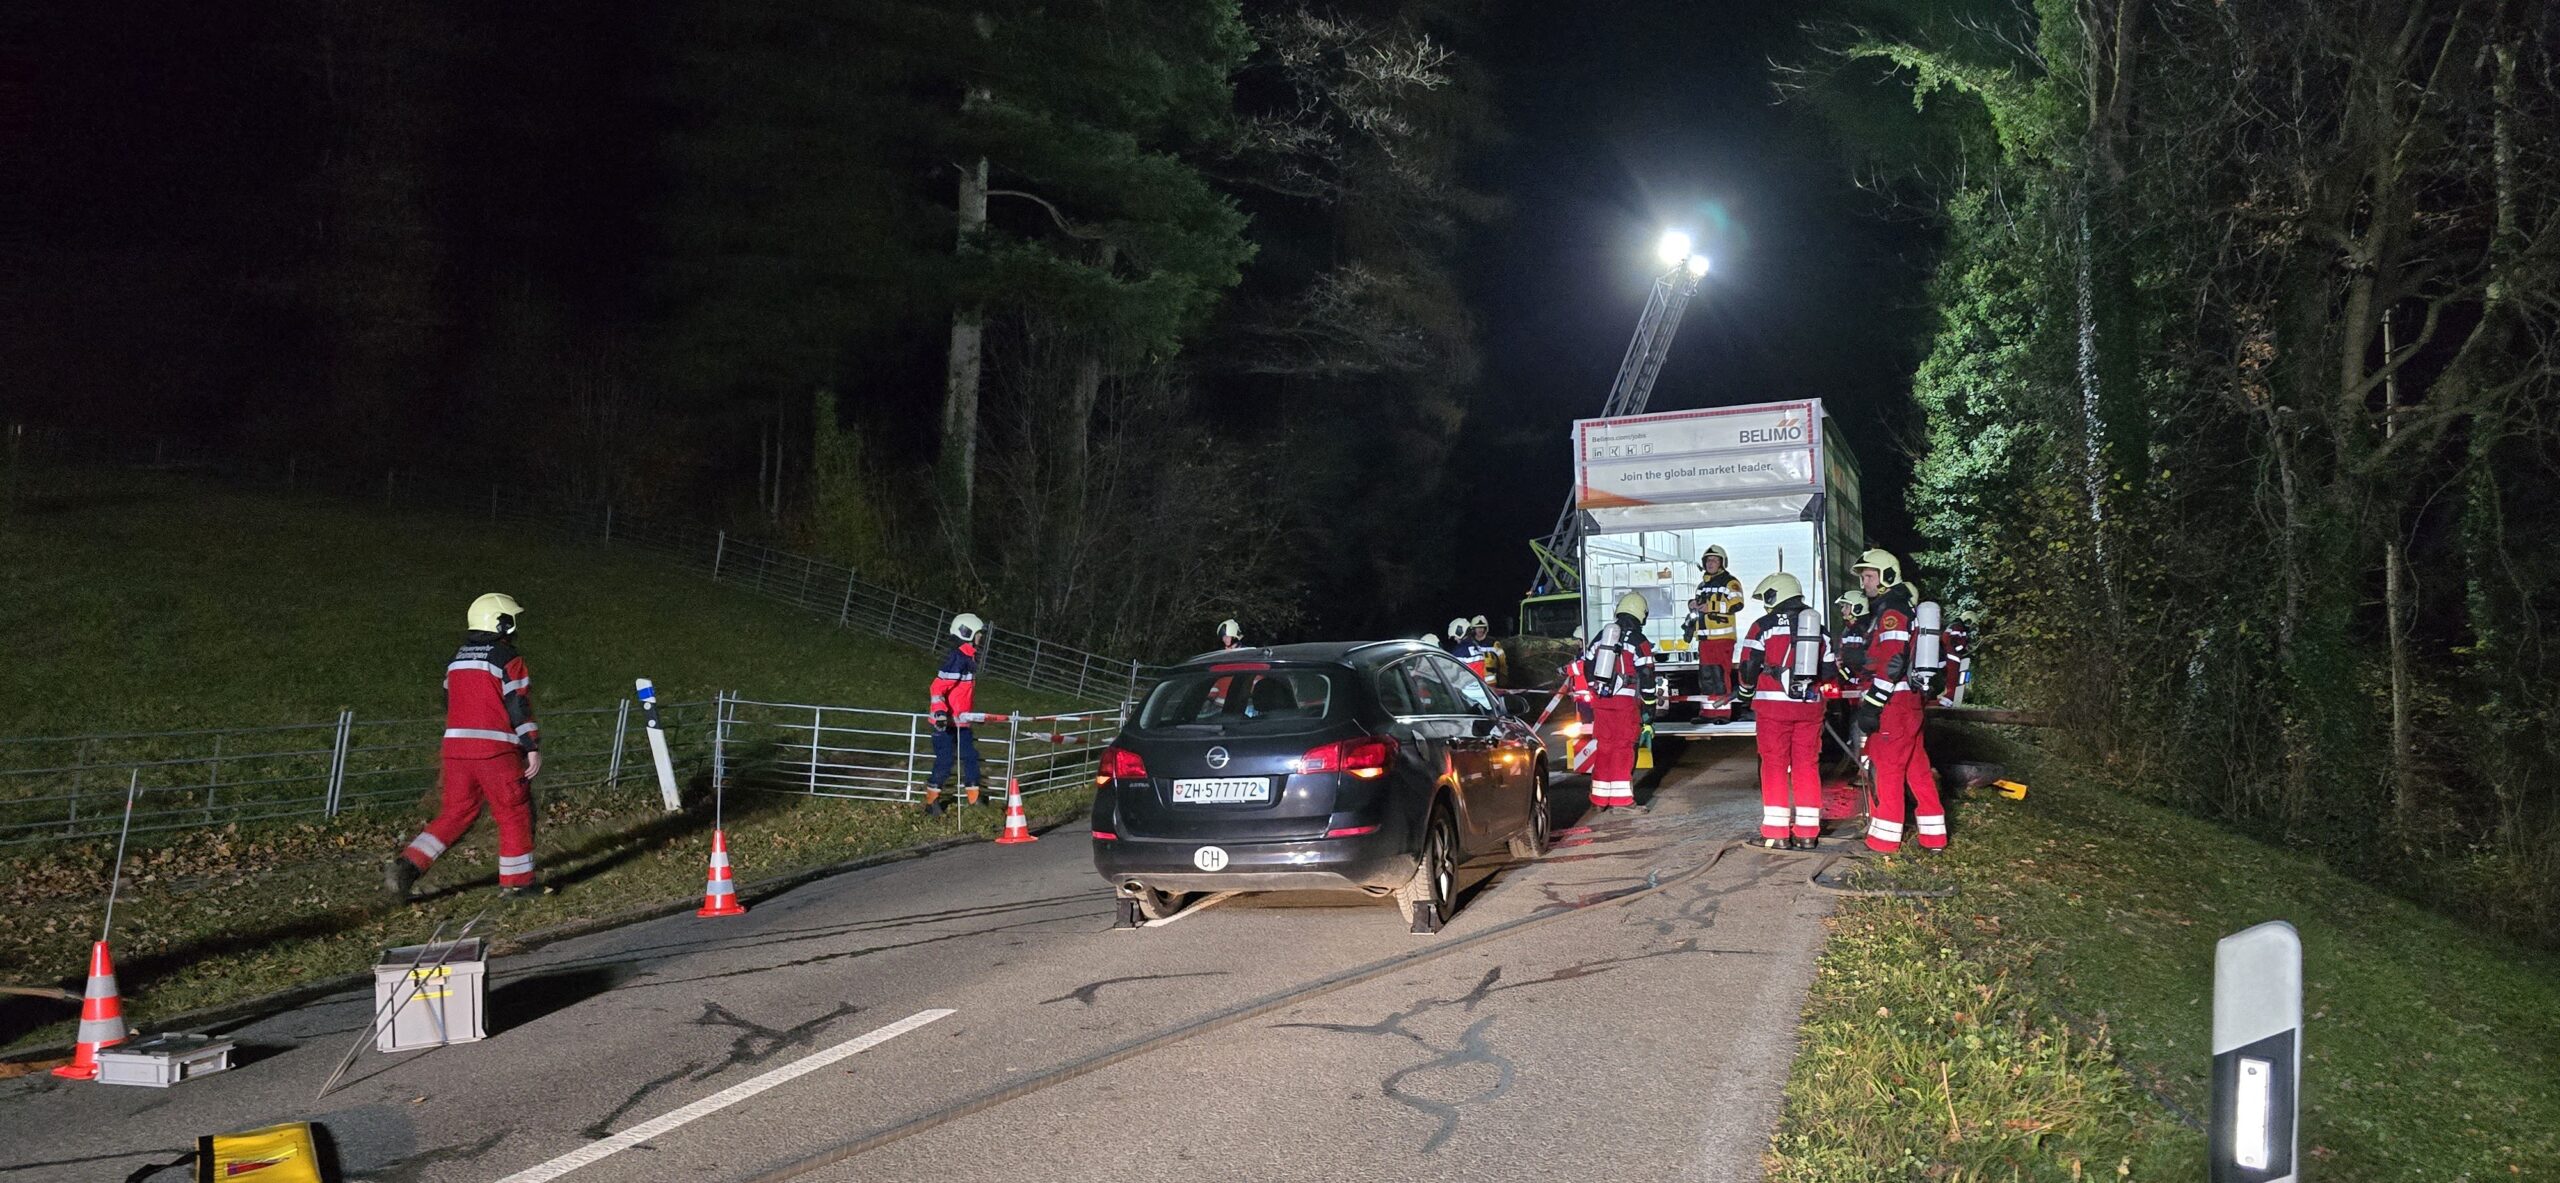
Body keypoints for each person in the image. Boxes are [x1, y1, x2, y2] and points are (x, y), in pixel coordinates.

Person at [384, 594, 547, 902]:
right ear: (502, 623)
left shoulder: (456, 660)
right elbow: (518, 704)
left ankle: (407, 866)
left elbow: (450, 700)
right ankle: (517, 884)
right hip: (496, 751)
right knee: (514, 812)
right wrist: (531, 745)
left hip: (456, 750)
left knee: (457, 812)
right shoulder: (507, 658)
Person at [1852, 550, 1948, 852]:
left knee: (1889, 767)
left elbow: (1893, 660)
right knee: (1916, 769)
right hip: (1909, 702)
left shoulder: (1892, 612)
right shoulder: (1895, 609)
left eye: (1869, 576)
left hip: (1894, 704)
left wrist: (1873, 704)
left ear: (1887, 577)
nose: (1865, 583)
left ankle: (1884, 840)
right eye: (1864, 577)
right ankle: (1934, 836)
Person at [1736, 574, 1833, 850]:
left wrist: (1745, 694)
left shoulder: (1762, 626)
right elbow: (1829, 671)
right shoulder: (1819, 629)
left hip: (1772, 709)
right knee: (1807, 765)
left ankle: (1776, 832)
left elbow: (1747, 666)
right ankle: (1807, 832)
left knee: (1775, 765)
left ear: (1774, 595)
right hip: (1809, 709)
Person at [1582, 592, 1655, 811]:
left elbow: (1586, 665)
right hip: (1625, 704)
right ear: (1641, 615)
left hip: (1602, 700)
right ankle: (1622, 800)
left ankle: (1599, 799)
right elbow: (1647, 675)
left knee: (1604, 747)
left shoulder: (1601, 636)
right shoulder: (1638, 641)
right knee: (1623, 748)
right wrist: (1649, 707)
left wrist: (1597, 689)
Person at [922, 613, 987, 816]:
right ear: (967, 633)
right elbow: (937, 688)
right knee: (945, 760)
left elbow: (962, 694)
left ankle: (974, 798)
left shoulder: (968, 658)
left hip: (962, 722)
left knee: (970, 757)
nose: (981, 638)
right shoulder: (957, 659)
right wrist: (940, 713)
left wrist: (970, 715)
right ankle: (931, 802)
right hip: (946, 723)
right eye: (978, 634)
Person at [1691, 545, 1745, 703]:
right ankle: (1708, 713)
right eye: (1708, 560)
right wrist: (1693, 604)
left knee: (1719, 675)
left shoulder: (1730, 582)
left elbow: (1737, 604)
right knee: (1706, 676)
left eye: (1714, 560)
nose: (1710, 563)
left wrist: (1712, 607)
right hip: (1705, 639)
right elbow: (1701, 605)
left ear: (1722, 563)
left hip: (1723, 639)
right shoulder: (1701, 586)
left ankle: (1721, 712)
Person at [1464, 614, 1508, 686]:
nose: (1480, 630)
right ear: (1473, 629)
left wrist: (1504, 678)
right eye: (1477, 627)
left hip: (1491, 684)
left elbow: (1502, 662)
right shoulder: (1468, 644)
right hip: (1474, 683)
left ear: (1486, 628)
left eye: (1482, 627)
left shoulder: (1494, 643)